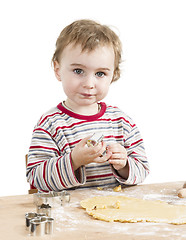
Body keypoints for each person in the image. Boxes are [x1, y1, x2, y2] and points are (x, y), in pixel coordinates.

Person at [26, 19, 149, 192]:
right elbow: (36, 177)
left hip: (112, 214)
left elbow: (143, 169)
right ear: (58, 69)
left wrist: (124, 164)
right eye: (78, 71)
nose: (89, 83)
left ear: (113, 75)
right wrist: (74, 160)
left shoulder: (122, 122)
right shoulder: (50, 124)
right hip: (67, 215)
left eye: (100, 73)